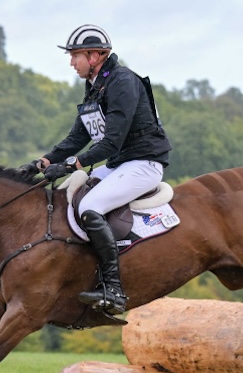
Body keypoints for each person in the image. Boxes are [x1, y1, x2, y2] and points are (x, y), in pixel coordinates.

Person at [18, 24, 171, 314]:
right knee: (68, 196)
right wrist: (44, 162)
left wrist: (71, 165)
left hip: (144, 164)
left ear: (95, 55)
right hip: (120, 165)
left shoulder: (122, 82)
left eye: (75, 55)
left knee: (90, 206)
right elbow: (78, 137)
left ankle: (113, 288)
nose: (71, 62)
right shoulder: (95, 86)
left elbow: (111, 142)